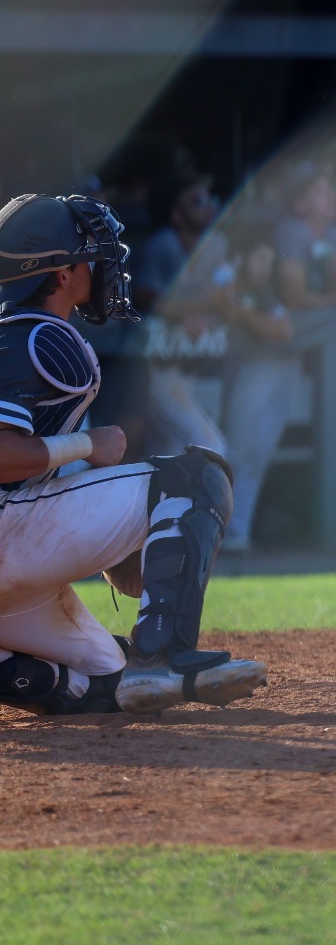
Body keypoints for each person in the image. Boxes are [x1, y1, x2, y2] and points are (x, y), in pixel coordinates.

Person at [0, 193, 266, 715]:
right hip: (10, 535)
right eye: (89, 257)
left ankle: (128, 670)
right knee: (195, 476)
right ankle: (163, 653)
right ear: (59, 274)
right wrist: (87, 446)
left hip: (14, 544)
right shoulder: (37, 339)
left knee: (107, 685)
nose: (102, 267)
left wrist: (123, 544)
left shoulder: (17, 335)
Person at [217, 209, 300, 552]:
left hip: (257, 377)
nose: (266, 267)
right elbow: (221, 306)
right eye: (260, 259)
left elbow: (283, 329)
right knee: (231, 454)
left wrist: (247, 317)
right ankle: (218, 533)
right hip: (206, 378)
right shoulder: (224, 279)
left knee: (252, 455)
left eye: (269, 259)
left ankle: (237, 533)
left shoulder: (261, 293)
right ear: (241, 258)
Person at [133, 173, 229, 455]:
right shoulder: (162, 245)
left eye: (209, 200)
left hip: (195, 369)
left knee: (170, 455)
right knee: (212, 448)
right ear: (176, 214)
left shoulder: (216, 244)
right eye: (196, 202)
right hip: (157, 372)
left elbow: (227, 302)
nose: (208, 207)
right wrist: (203, 304)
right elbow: (149, 301)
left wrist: (204, 306)